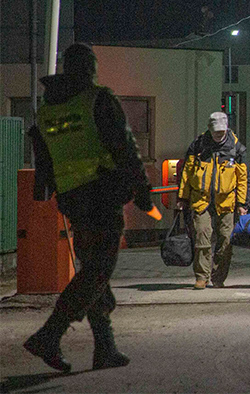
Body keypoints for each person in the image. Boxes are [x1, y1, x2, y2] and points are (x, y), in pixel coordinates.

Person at [25, 43, 153, 372]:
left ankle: (105, 346)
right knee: (98, 271)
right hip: (103, 194)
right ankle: (49, 335)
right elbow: (124, 146)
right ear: (88, 68)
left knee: (93, 270)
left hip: (72, 199)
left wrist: (49, 192)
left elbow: (44, 158)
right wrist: (141, 189)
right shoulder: (98, 99)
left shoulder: (47, 109)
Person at [177, 112, 248, 290]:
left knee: (226, 240)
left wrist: (242, 204)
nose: (218, 135)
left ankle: (218, 277)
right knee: (202, 237)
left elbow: (243, 178)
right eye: (216, 131)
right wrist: (182, 198)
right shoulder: (198, 146)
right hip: (201, 200)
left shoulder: (236, 148)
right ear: (210, 129)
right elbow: (187, 174)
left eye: (221, 132)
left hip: (227, 201)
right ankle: (202, 277)